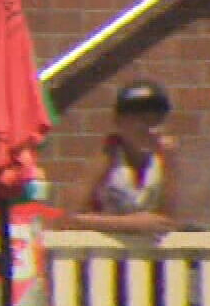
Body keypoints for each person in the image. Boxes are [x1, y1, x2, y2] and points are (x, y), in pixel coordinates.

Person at [59, 80, 181, 236]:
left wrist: (170, 165)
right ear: (119, 122)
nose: (149, 128)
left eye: (156, 118)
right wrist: (129, 224)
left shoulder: (164, 158)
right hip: (104, 253)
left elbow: (167, 219)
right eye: (140, 118)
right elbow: (68, 218)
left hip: (148, 255)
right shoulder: (108, 156)